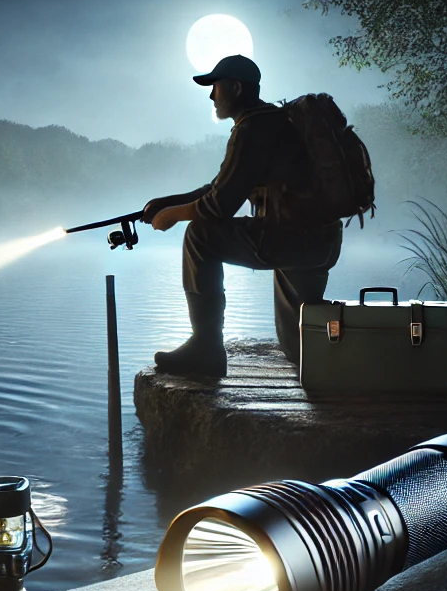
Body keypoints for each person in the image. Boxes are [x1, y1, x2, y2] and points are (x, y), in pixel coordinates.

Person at [144, 54, 343, 378]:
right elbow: (222, 186)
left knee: (200, 235)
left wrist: (174, 217)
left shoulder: (253, 127)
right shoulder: (276, 121)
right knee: (301, 346)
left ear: (235, 88)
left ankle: (205, 349)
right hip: (320, 241)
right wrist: (169, 202)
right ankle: (329, 368)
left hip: (291, 240)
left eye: (216, 87)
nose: (211, 96)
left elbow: (220, 205)